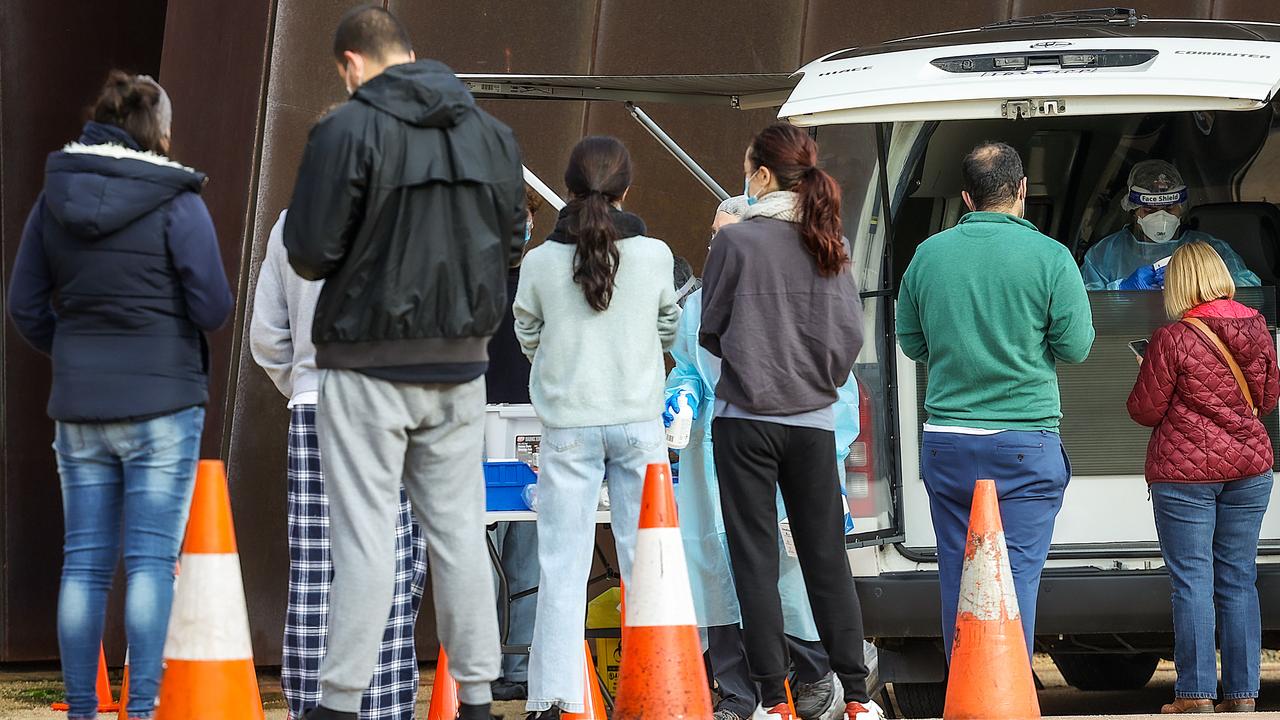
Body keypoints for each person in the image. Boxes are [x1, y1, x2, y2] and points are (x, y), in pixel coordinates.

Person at [282, 6, 525, 720]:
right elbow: (511, 246)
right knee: (456, 535)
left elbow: (308, 250)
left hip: (366, 364)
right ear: (412, 55)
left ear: (350, 64)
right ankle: (476, 701)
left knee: (365, 538)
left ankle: (335, 706)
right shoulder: (492, 136)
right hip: (459, 368)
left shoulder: (345, 129)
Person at [7, 71, 233, 720]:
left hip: (78, 407)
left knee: (82, 567)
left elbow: (24, 304)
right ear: (159, 133)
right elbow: (213, 305)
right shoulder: (177, 201)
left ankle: (83, 709)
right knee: (150, 565)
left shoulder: (55, 197)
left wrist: (75, 350)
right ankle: (142, 709)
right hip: (163, 406)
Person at [700, 123, 881, 720]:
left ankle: (774, 700)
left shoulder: (736, 243)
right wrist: (814, 380)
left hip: (743, 421)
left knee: (753, 558)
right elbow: (849, 336)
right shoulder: (829, 241)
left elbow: (711, 328)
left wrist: (755, 360)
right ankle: (856, 696)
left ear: (761, 175)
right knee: (824, 556)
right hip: (811, 421)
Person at [896, 142, 1095, 664]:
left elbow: (913, 344)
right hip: (1026, 444)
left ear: (966, 197)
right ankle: (1005, 695)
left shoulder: (927, 255)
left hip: (949, 443)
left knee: (957, 575)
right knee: (1017, 577)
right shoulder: (1051, 257)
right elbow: (1075, 348)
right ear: (1023, 190)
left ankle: (963, 691)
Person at [667, 197, 861, 720]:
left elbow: (836, 389)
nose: (715, 247)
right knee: (722, 573)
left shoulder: (791, 298)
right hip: (716, 459)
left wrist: (834, 463)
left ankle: (814, 677)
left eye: (724, 235)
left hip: (786, 454)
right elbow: (688, 365)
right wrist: (680, 396)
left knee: (791, 573)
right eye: (713, 237)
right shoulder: (699, 305)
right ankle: (738, 691)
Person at [513, 136, 679, 718]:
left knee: (563, 564)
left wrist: (560, 366)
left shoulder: (537, 262)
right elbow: (669, 328)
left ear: (568, 188)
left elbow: (528, 333)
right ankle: (656, 690)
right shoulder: (656, 255)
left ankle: (551, 699)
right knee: (648, 562)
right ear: (627, 189)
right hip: (638, 423)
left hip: (568, 426)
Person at [250, 208, 429, 720]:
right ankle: (383, 706)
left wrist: (304, 385)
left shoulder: (293, 222)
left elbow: (267, 335)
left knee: (316, 570)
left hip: (317, 408)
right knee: (393, 566)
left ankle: (312, 706)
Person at [1127, 241, 1277, 714]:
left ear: (1179, 283)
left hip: (1184, 475)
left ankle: (1195, 694)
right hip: (1251, 470)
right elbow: (1269, 401)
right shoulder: (1258, 327)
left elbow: (1144, 411)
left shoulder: (1172, 338)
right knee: (1237, 579)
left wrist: (1145, 368)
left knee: (1192, 580)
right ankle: (1243, 694)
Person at [487, 187, 544, 702]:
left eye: (524, 219)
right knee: (484, 555)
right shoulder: (468, 283)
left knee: (525, 554)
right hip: (480, 428)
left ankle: (520, 665)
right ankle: (484, 667)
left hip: (532, 429)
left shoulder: (542, 281)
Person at [1081, 159, 1260, 291]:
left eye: (1169, 208)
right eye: (1150, 210)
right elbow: (1085, 307)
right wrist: (1122, 290)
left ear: (1182, 209)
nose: (1161, 216)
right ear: (1133, 211)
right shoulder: (1105, 253)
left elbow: (1251, 292)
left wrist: (1205, 286)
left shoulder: (1210, 250)